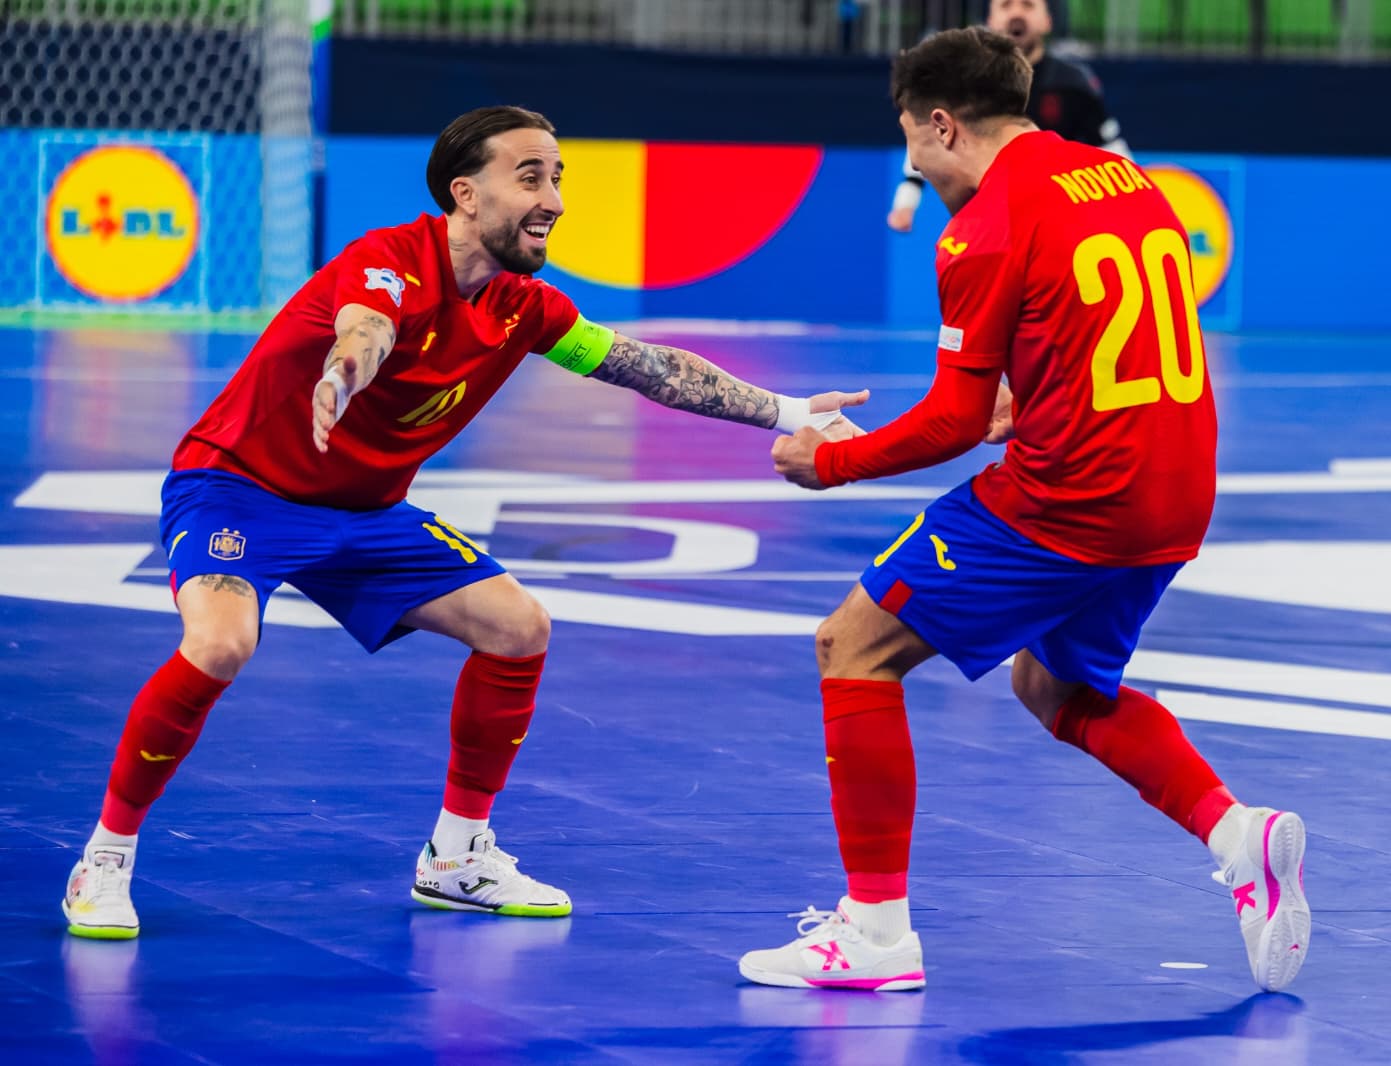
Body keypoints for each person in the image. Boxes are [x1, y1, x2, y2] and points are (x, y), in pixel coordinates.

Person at [60, 105, 866, 940]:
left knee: (518, 627)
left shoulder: (525, 310)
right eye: (530, 177)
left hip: (367, 512)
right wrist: (343, 377)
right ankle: (106, 856)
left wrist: (791, 410)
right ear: (466, 193)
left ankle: (456, 858)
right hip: (241, 490)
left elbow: (652, 368)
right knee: (222, 642)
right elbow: (366, 329)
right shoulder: (390, 262)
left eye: (558, 178)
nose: (552, 197)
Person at [745, 27, 1310, 993]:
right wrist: (1043, 396)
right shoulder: (1127, 181)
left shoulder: (982, 228)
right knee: (1056, 690)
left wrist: (831, 462)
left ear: (940, 123)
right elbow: (1114, 336)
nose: (916, 164)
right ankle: (1235, 832)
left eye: (912, 142)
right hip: (1174, 490)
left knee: (854, 649)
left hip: (1073, 498)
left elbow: (952, 422)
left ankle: (875, 935)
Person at [888, 0, 1129, 232]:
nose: (1016, 13)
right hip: (986, 223)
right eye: (1005, 5)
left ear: (1047, 21)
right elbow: (927, 136)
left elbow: (1110, 146)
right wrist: (906, 201)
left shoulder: (1074, 83)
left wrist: (1132, 201)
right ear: (990, 20)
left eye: (1027, 4)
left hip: (1057, 220)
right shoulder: (968, 81)